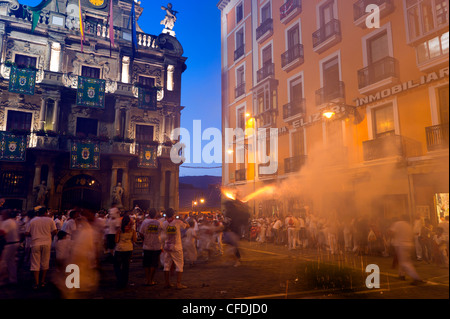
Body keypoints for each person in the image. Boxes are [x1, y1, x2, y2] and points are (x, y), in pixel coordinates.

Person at [25, 207, 57, 290]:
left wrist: (35, 234)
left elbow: (27, 233)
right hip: (46, 243)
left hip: (35, 243)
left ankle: (36, 283)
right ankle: (42, 281)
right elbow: (55, 231)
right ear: (46, 212)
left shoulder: (33, 220)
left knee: (35, 263)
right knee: (45, 262)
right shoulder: (50, 220)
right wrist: (47, 234)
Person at [390, 215, 425, 285]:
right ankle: (401, 275)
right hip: (408, 245)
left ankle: (416, 278)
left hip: (401, 245)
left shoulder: (398, 223)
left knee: (404, 262)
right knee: (403, 260)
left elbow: (391, 232)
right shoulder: (409, 225)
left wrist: (393, 237)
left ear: (401, 218)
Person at [161, 208, 189, 289]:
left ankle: (167, 283)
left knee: (166, 265)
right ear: (173, 214)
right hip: (177, 247)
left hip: (167, 246)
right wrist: (183, 219)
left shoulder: (164, 223)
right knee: (179, 265)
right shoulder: (178, 222)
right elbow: (187, 226)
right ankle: (178, 283)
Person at [138, 208, 163, 286]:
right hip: (157, 246)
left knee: (146, 264)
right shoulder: (159, 223)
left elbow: (140, 233)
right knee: (154, 264)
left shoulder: (145, 222)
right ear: (156, 214)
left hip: (147, 246)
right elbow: (162, 233)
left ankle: (147, 279)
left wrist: (144, 240)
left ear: (149, 214)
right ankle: (151, 280)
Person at [113, 215, 136, 289]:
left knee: (117, 266)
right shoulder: (132, 230)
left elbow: (116, 240)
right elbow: (134, 240)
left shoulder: (119, 230)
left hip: (119, 249)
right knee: (126, 267)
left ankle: (120, 280)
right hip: (129, 249)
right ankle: (124, 282)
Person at [0, 209, 20, 285]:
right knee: (11, 262)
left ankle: (1, 280)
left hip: (9, 244)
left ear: (6, 215)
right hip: (15, 242)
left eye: (3, 214)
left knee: (3, 261)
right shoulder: (13, 221)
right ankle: (13, 279)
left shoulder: (6, 223)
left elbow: (2, 232)